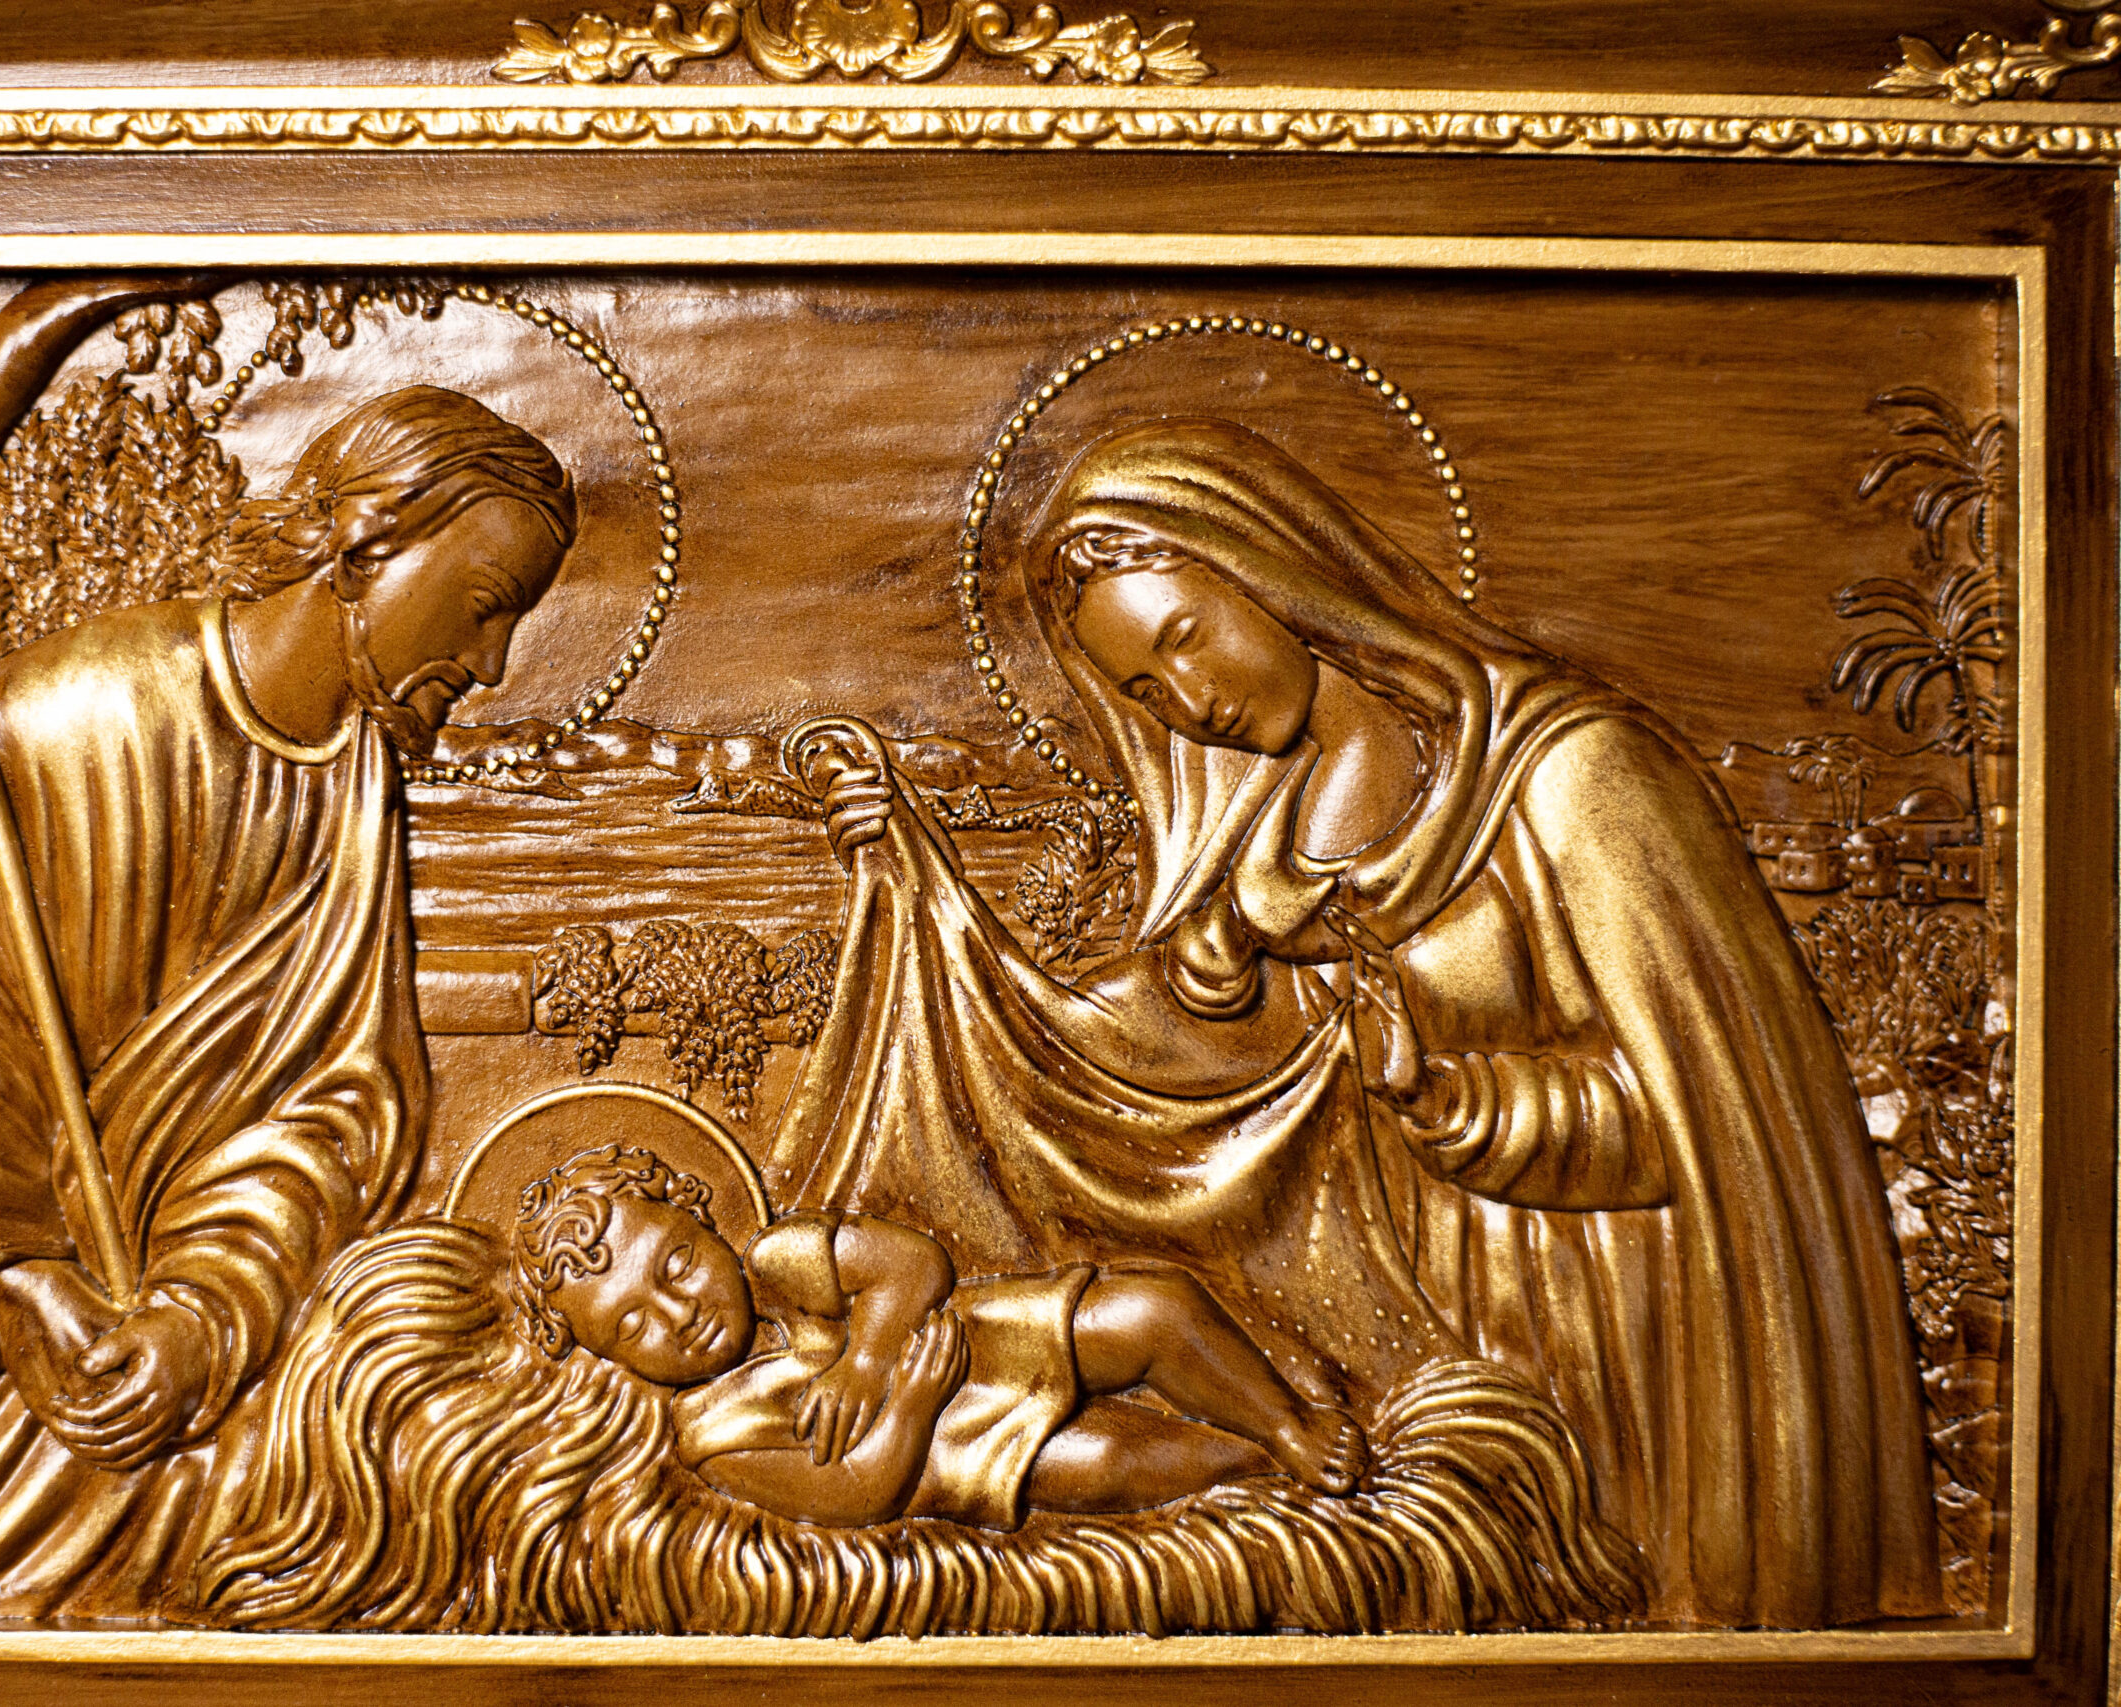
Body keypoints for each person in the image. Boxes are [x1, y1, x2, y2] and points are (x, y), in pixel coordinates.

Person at [778, 415, 1938, 1627]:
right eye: (1143, 690)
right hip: (1434, 1349)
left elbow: (1705, 1130)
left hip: (1621, 1328)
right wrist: (917, 882)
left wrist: (1449, 1097)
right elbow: (1123, 1066)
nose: (1190, 703)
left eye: (1185, 637)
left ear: (1277, 574)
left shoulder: (1573, 780)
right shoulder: (1254, 868)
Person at [0, 385, 577, 1619]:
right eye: (485, 607)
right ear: (362, 546)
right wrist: (13, 1280)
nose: (490, 668)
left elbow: (336, 1108)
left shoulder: (352, 785)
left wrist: (203, 1314)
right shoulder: (76, 715)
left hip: (174, 1327)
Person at [511, 1143, 1367, 1530]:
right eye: (632, 1324)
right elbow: (854, 1492)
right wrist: (911, 1402)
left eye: (677, 1265)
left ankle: (1287, 1420)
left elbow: (913, 1263)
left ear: (700, 1216)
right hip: (956, 1449)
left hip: (995, 1339)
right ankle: (1254, 1459)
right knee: (1112, 1459)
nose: (679, 1314)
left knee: (1155, 1307)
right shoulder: (713, 1433)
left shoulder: (778, 1259)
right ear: (608, 1356)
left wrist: (867, 1359)